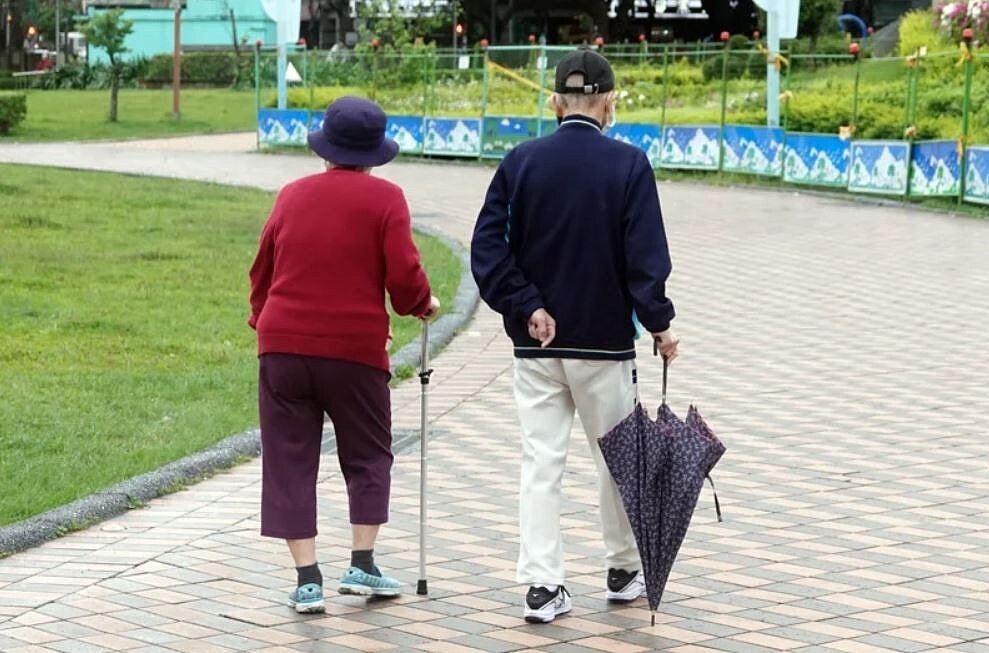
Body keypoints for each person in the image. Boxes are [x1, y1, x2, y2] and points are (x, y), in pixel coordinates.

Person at [470, 49, 679, 624]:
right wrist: (658, 323)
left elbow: (488, 249)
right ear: (609, 102)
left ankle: (542, 584)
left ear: (556, 102)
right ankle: (622, 568)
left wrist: (526, 304)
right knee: (615, 457)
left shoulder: (520, 163)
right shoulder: (629, 165)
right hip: (605, 345)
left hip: (537, 347)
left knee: (541, 461)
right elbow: (645, 260)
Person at [249, 96, 440, 614]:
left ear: (325, 149)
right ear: (374, 154)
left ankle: (307, 580)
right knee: (368, 452)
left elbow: (262, 269)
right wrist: (423, 304)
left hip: (283, 346)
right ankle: (362, 563)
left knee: (289, 457)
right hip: (355, 351)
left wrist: (265, 324)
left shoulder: (290, 195)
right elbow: (404, 277)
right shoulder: (387, 199)